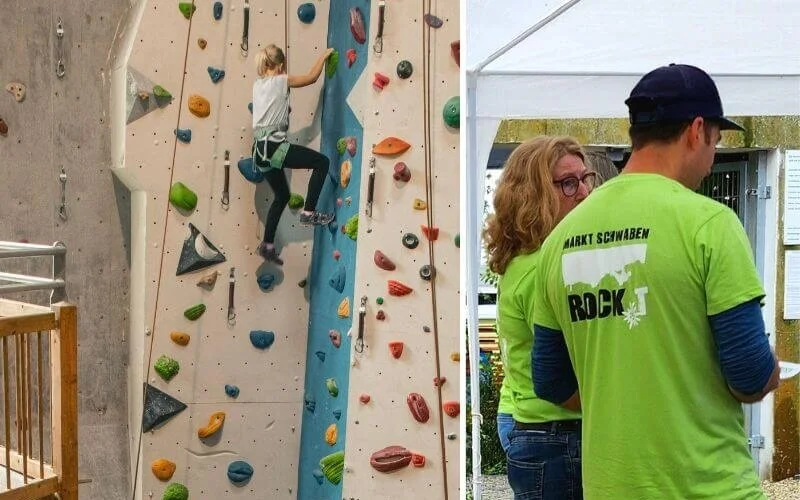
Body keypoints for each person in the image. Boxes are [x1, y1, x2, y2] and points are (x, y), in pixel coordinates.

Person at [532, 64, 780, 499]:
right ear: (696, 130)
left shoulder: (560, 240)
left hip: (613, 488)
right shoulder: (709, 223)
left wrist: (625, 401)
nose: (710, 162)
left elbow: (551, 381)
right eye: (716, 143)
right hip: (709, 488)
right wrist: (774, 372)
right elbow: (749, 376)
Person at [483, 136, 597, 499]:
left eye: (585, 178)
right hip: (555, 431)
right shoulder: (542, 266)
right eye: (568, 183)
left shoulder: (537, 256)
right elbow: (559, 373)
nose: (583, 192)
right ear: (533, 195)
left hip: (539, 424)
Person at [252, 44, 336, 265]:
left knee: (282, 197)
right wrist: (323, 56)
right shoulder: (281, 80)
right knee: (322, 162)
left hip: (259, 152)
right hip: (273, 147)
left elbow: (270, 110)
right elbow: (311, 77)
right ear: (281, 65)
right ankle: (309, 212)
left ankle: (267, 245)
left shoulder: (258, 85)